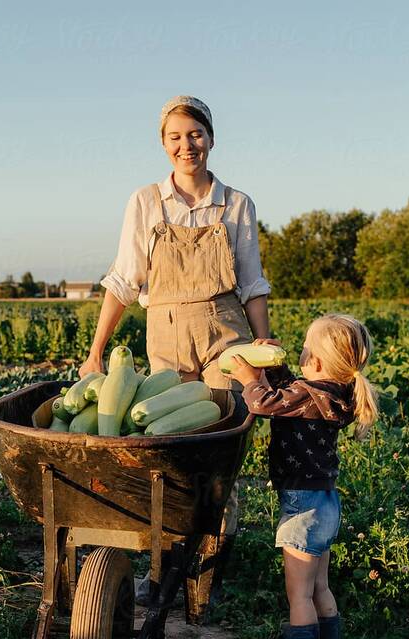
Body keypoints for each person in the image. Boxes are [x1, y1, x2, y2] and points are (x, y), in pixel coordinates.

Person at [79, 95, 271, 604]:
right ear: (163, 144)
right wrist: (96, 352)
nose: (187, 146)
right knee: (164, 452)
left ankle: (208, 574)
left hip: (225, 337)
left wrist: (262, 343)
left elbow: (252, 284)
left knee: (219, 451)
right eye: (175, 137)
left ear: (211, 137)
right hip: (164, 337)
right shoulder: (145, 202)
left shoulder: (237, 204)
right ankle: (162, 572)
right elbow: (123, 281)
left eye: (196, 134)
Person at [230, 314, 379, 639]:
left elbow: (265, 404)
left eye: (305, 347)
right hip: (325, 502)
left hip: (301, 505)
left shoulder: (307, 396)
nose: (300, 351)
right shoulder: (330, 394)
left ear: (315, 363)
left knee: (298, 594)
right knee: (319, 588)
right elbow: (290, 395)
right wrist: (276, 367)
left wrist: (250, 380)